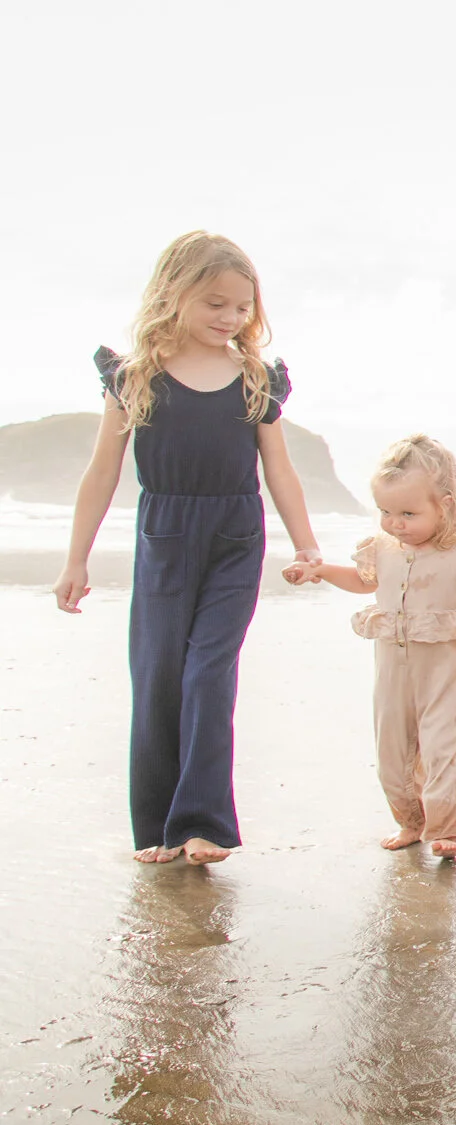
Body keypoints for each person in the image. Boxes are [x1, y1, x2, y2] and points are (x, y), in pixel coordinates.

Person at [55, 231, 324, 864]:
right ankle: (158, 830)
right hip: (164, 537)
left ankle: (203, 823)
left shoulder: (256, 377)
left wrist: (307, 545)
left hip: (236, 538)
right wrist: (76, 559)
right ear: (173, 295)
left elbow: (278, 470)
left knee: (207, 675)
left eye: (241, 308)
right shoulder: (134, 377)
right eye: (215, 304)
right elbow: (101, 472)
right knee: (157, 679)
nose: (230, 319)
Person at [289, 436, 456, 859]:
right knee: (391, 751)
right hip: (392, 675)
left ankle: (444, 827)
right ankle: (409, 821)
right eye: (385, 512)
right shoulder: (382, 549)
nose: (395, 523)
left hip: (443, 678)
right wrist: (321, 570)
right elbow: (363, 582)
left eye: (408, 513)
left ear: (446, 505)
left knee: (442, 747)